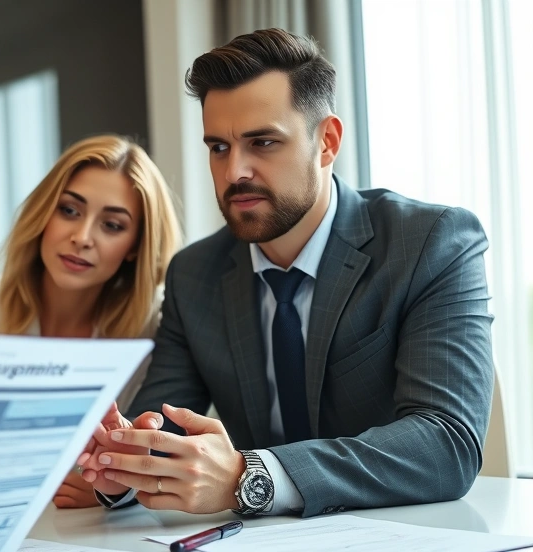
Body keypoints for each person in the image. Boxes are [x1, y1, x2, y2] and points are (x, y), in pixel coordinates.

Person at [79, 28, 494, 518]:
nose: (235, 171)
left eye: (263, 142)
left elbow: (447, 443)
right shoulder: (194, 276)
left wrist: (250, 476)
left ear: (327, 142)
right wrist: (123, 463)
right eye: (218, 147)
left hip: (406, 540)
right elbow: (162, 427)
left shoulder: (431, 243)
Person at [0, 134, 182, 508]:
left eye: (113, 225)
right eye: (69, 210)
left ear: (136, 245)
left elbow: (147, 454)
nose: (81, 237)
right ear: (44, 213)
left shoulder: (152, 326)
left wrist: (113, 488)